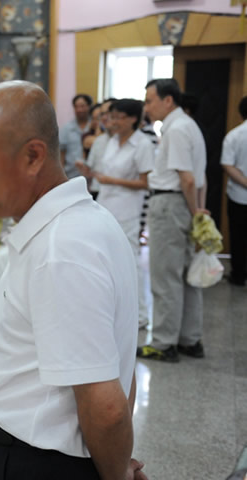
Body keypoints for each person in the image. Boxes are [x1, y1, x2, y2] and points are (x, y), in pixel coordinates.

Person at [0, 81, 173, 480]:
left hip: (32, 475)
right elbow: (119, 363)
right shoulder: (88, 221)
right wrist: (115, 467)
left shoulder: (62, 249)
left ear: (33, 156)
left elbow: (106, 406)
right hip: (50, 469)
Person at [139, 78, 207, 362]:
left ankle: (164, 343)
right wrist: (198, 211)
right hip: (184, 204)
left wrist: (195, 212)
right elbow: (199, 179)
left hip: (171, 204)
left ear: (168, 100)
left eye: (149, 101)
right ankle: (189, 339)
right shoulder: (188, 125)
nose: (146, 107)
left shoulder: (176, 129)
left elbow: (187, 179)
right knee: (186, 276)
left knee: (165, 277)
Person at [92, 99, 155, 330]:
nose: (113, 121)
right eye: (112, 116)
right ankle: (113, 309)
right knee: (105, 260)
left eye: (119, 117)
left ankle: (140, 314)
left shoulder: (142, 144)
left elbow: (146, 183)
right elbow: (104, 173)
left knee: (129, 261)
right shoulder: (111, 141)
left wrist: (112, 181)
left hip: (127, 210)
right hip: (105, 207)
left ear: (133, 119)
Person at [221, 95, 247, 287]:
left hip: (239, 194)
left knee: (238, 237)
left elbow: (227, 165)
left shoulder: (235, 135)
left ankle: (238, 275)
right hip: (239, 195)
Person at [77, 98, 117, 198]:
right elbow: (90, 171)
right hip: (97, 191)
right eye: (102, 114)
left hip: (119, 193)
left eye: (108, 113)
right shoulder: (99, 140)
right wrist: (84, 168)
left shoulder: (129, 140)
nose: (104, 118)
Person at [60, 93, 93, 179]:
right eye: (76, 107)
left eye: (82, 106)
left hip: (91, 177)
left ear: (89, 106)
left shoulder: (95, 127)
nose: (79, 110)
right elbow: (61, 153)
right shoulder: (66, 128)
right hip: (70, 175)